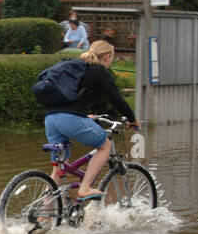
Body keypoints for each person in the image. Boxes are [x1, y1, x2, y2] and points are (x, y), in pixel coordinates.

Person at [43, 39, 139, 202]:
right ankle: (85, 188)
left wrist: (84, 115)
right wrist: (132, 119)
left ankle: (42, 216)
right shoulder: (100, 72)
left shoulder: (77, 68)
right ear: (107, 57)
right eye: (112, 57)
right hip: (70, 119)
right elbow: (116, 99)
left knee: (58, 172)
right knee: (105, 146)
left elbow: (74, 96)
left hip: (51, 118)